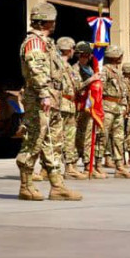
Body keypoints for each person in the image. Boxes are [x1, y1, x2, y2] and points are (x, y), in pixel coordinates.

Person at [14, 2, 81, 201]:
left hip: (53, 99)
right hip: (39, 99)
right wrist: (44, 93)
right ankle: (26, 186)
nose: (54, 24)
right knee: (34, 141)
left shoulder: (47, 43)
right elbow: (36, 69)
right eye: (52, 20)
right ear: (46, 22)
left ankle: (57, 186)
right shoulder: (34, 43)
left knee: (53, 143)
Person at [51, 37, 84, 181]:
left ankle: (70, 167)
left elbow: (77, 86)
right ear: (69, 50)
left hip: (69, 105)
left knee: (69, 138)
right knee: (56, 137)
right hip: (61, 104)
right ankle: (51, 168)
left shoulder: (68, 66)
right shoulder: (56, 64)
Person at [100, 45, 130, 178]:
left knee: (119, 138)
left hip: (118, 108)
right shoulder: (105, 71)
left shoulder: (118, 72)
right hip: (107, 107)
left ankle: (119, 166)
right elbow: (100, 90)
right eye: (120, 55)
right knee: (103, 136)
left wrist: (124, 105)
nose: (121, 58)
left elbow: (123, 91)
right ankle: (98, 164)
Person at [73, 42, 105, 179]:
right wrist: (90, 80)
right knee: (76, 138)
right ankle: (73, 164)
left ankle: (88, 165)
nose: (85, 58)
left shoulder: (91, 69)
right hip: (79, 107)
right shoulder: (75, 69)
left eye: (88, 56)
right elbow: (76, 87)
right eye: (83, 55)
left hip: (89, 108)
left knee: (87, 138)